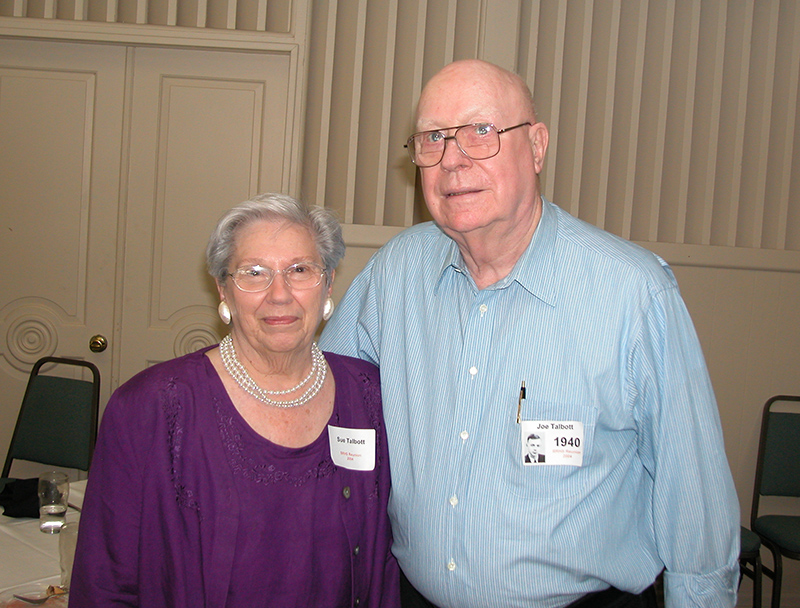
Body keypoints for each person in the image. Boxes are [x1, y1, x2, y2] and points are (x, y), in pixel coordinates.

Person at [320, 59, 739, 608]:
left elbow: (695, 501)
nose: (452, 159)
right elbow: (318, 402)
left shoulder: (633, 294)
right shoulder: (394, 275)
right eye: (433, 138)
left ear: (537, 147)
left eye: (481, 132)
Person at [71, 193, 400, 607]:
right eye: (254, 272)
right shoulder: (148, 408)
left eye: (300, 269)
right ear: (223, 289)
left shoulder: (372, 396)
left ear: (329, 283)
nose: (279, 294)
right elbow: (104, 583)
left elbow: (384, 569)